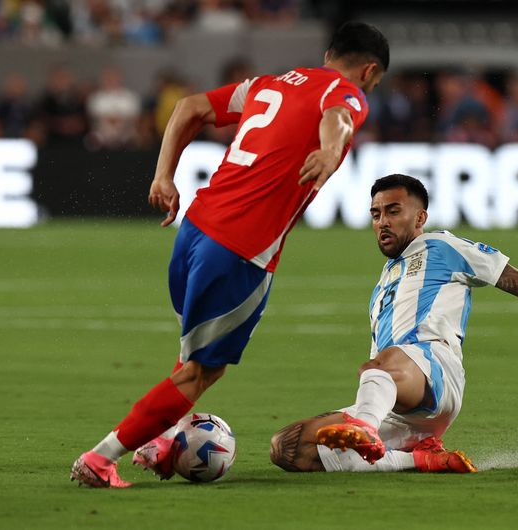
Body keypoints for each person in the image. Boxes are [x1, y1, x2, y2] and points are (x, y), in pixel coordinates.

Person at [70, 21, 389, 488]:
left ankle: (161, 439)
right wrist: (330, 148)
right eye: (374, 82)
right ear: (369, 70)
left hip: (195, 229)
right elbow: (339, 117)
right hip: (241, 249)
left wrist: (163, 175)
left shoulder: (269, 84)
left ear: (327, 52)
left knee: (191, 355)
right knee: (201, 371)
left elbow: (189, 107)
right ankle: (102, 458)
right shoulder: (347, 92)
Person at [269, 174, 518, 473]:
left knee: (382, 363)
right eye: (376, 213)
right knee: (286, 448)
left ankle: (364, 425)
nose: (382, 221)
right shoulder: (385, 279)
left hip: (434, 373)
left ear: (420, 217)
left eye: (393, 211)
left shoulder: (443, 247)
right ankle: (419, 460)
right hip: (398, 403)